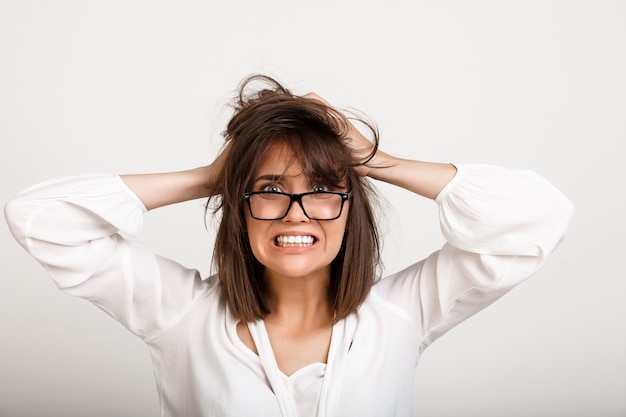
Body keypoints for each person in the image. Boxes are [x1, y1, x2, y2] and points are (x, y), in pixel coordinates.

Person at [5, 75, 574, 417]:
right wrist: (211, 176)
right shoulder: (180, 314)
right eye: (271, 190)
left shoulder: (404, 312)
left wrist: (375, 160)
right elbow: (40, 217)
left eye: (323, 189)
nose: (296, 214)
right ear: (240, 210)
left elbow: (536, 217)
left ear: (351, 209)